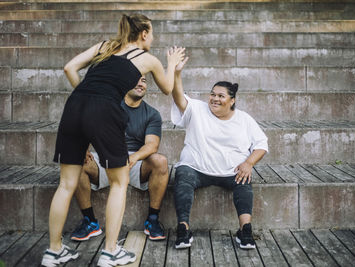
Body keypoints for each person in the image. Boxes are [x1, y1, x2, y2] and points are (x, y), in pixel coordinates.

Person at [41, 13, 185, 267]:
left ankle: (53, 251)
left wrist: (87, 98)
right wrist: (171, 63)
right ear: (143, 34)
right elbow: (166, 87)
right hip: (104, 110)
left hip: (74, 106)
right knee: (120, 182)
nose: (153, 38)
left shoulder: (105, 46)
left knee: (66, 184)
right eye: (152, 33)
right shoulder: (147, 58)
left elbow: (69, 68)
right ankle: (110, 251)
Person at [171, 58, 268, 250]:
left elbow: (261, 144)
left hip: (231, 171)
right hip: (197, 167)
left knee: (244, 178)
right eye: (212, 94)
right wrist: (176, 73)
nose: (215, 99)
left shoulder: (244, 119)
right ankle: (183, 228)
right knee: (183, 174)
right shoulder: (197, 109)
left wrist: (248, 163)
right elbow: (178, 97)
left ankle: (245, 230)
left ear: (232, 100)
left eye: (221, 96)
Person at [70, 76, 169, 243]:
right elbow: (85, 125)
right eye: (135, 79)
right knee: (76, 161)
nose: (140, 83)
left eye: (144, 81)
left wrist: (133, 157)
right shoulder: (108, 106)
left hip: (135, 163)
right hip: (105, 159)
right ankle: (89, 221)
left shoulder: (152, 114)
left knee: (160, 161)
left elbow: (152, 145)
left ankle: (152, 219)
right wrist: (83, 146)